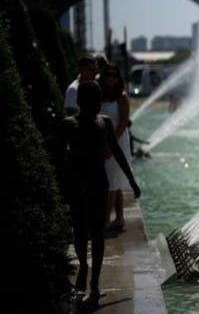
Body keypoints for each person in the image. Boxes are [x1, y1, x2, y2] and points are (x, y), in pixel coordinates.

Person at [55, 81, 141, 305]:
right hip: (77, 183)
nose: (94, 104)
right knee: (80, 231)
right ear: (81, 101)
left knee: (98, 232)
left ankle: (94, 283)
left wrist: (131, 180)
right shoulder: (68, 124)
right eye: (90, 100)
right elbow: (56, 157)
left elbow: (117, 152)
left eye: (97, 99)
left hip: (98, 183)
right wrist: (58, 185)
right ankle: (84, 265)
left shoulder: (104, 123)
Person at [99, 63, 133, 231]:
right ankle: (119, 218)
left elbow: (123, 123)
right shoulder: (100, 95)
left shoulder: (122, 96)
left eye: (114, 75)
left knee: (111, 181)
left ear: (118, 78)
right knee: (113, 180)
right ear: (103, 77)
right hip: (102, 139)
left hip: (117, 141)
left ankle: (106, 220)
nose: (111, 78)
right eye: (108, 75)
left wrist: (111, 145)